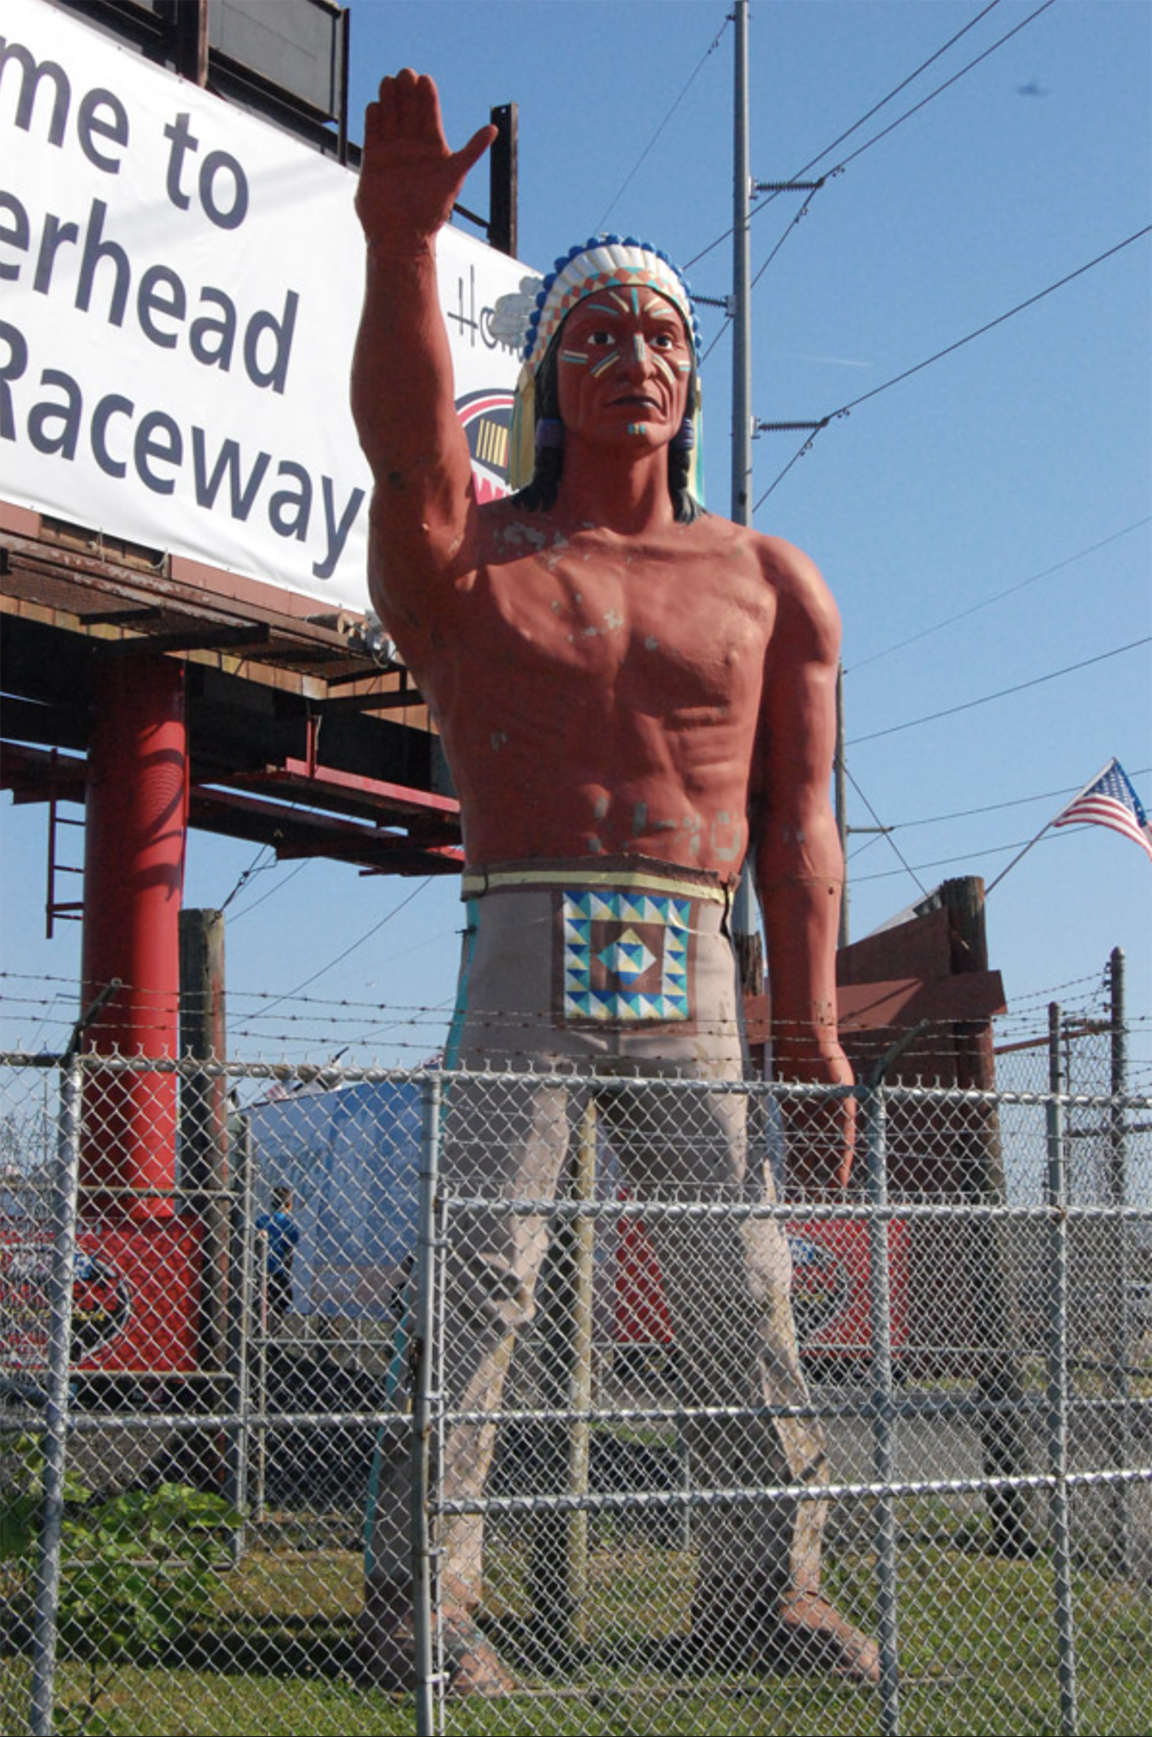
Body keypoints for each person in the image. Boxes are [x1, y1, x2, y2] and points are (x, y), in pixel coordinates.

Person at [351, 70, 878, 1693]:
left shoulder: (768, 580)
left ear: (691, 380)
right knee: (481, 1270)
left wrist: (812, 1024)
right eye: (596, 336)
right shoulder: (474, 560)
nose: (634, 358)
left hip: (694, 955)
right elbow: (396, 448)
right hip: (520, 932)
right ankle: (419, 1600)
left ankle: (762, 1591)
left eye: (661, 337)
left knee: (741, 1283)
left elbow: (800, 820)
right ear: (543, 379)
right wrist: (393, 242)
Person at [256, 1186, 299, 1327]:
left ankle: (262, 1328)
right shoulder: (288, 1226)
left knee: (262, 1303)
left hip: (260, 1270)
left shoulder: (261, 1221)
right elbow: (290, 1247)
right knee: (283, 1300)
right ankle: (274, 1331)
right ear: (289, 1206)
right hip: (278, 1272)